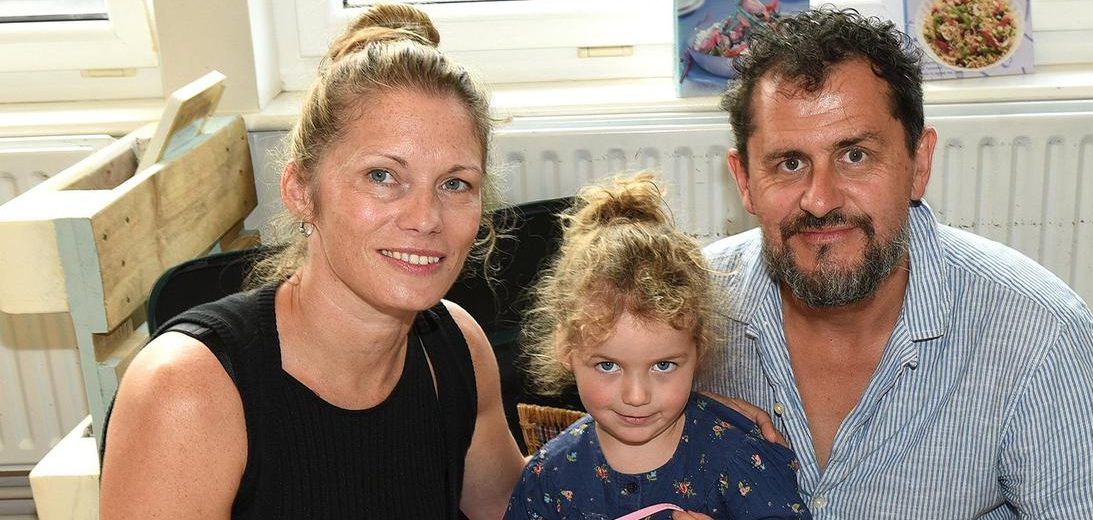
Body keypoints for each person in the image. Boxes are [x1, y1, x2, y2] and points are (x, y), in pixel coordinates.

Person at [699, 7, 1093, 519]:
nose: (820, 200)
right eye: (790, 163)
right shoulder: (687, 308)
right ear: (744, 180)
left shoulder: (1039, 334)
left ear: (919, 164)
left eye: (855, 156)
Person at [100, 4, 524, 518]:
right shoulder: (186, 390)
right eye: (382, 176)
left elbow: (514, 508)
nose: (426, 218)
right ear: (301, 191)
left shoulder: (456, 348)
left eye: (455, 184)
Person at [505, 173, 807, 520]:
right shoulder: (548, 478)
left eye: (663, 365)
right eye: (608, 365)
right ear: (566, 349)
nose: (637, 396)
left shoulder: (739, 456)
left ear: (699, 349)